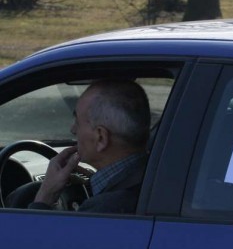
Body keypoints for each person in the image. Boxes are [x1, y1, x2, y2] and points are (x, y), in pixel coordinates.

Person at [29, 79, 151, 213]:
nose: (73, 130)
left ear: (101, 138)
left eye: (77, 122)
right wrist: (92, 182)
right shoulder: (151, 177)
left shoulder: (104, 209)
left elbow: (32, 233)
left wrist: (45, 196)